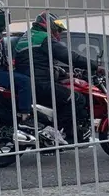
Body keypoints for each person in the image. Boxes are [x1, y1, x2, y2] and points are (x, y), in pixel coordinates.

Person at [14, 12, 98, 143]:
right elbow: (68, 56)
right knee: (77, 98)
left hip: (30, 80)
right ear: (49, 25)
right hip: (40, 83)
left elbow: (39, 62)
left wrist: (65, 74)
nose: (58, 33)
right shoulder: (44, 38)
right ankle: (64, 134)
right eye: (58, 30)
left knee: (62, 96)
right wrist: (94, 65)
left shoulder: (30, 35)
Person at [0, 0, 33, 125]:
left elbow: (1, 56)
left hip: (0, 71)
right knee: (25, 81)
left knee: (28, 75)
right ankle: (26, 118)